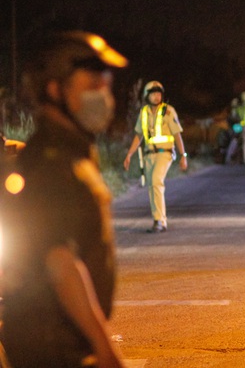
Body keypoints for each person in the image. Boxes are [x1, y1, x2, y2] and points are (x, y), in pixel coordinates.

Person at [0, 30, 126, 367]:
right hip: (51, 346)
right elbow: (61, 262)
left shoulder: (75, 155)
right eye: (91, 87)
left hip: (62, 343)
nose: (103, 96)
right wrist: (107, 350)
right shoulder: (50, 163)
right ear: (55, 91)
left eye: (106, 86)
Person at [123, 80, 188, 233]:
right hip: (149, 155)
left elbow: (177, 134)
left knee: (156, 181)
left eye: (159, 94)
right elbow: (139, 135)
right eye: (153, 94)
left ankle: (160, 221)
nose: (157, 97)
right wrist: (129, 154)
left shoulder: (168, 111)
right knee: (152, 187)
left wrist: (183, 155)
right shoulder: (144, 113)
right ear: (147, 96)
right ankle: (157, 219)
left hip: (165, 154)